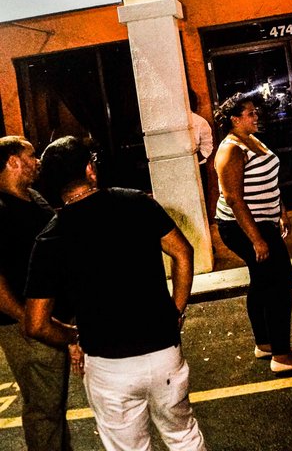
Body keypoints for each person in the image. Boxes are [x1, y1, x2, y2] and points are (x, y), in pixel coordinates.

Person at [24, 136, 206, 451]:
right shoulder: (136, 202)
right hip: (163, 350)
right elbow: (182, 252)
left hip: (108, 364)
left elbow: (36, 324)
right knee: (184, 436)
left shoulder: (51, 238)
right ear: (89, 169)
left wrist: (74, 336)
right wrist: (176, 310)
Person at [214, 93, 292, 374]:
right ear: (235, 119)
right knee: (279, 281)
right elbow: (234, 199)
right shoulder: (231, 149)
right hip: (243, 227)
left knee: (262, 280)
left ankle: (266, 343)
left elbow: (268, 181)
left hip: (263, 222)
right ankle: (282, 355)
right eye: (250, 113)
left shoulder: (252, 139)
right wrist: (257, 239)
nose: (256, 116)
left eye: (255, 112)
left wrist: (280, 211)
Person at [0, 135, 72, 451]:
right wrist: (28, 320)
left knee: (54, 405)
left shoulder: (34, 197)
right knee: (44, 410)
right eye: (31, 156)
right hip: (27, 327)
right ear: (13, 162)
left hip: (49, 319)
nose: (37, 161)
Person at [188, 88, 214, 208]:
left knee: (200, 201)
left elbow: (207, 146)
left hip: (197, 168)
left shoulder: (200, 122)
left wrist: (192, 159)